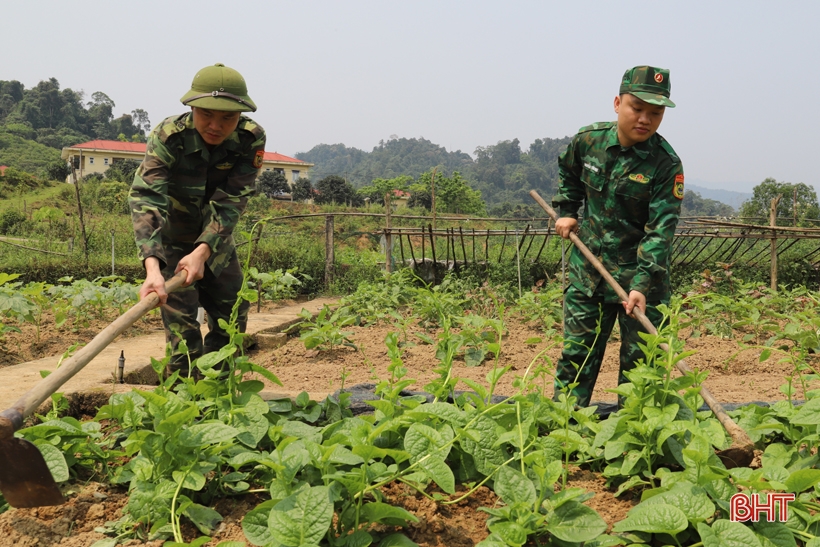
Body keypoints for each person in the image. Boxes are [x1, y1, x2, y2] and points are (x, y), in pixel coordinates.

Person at [551, 65, 684, 407]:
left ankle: (633, 441)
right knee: (576, 358)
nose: (645, 119)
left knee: (641, 369)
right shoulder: (588, 141)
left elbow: (660, 232)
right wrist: (568, 209)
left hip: (641, 280)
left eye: (655, 113)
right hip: (588, 273)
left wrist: (640, 284)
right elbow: (569, 172)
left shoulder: (665, 165)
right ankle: (564, 432)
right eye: (636, 108)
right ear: (617, 103)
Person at [129, 63, 266, 377]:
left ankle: (218, 394)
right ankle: (182, 405)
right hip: (171, 242)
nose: (215, 125)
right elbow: (147, 198)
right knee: (183, 331)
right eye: (206, 114)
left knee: (232, 317)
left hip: (215, 240)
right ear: (192, 107)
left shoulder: (250, 139)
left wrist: (203, 251)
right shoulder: (169, 137)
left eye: (227, 117)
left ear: (240, 115)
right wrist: (153, 268)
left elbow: (232, 201)